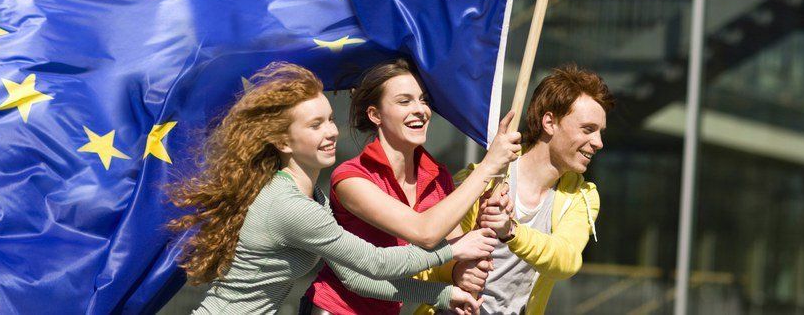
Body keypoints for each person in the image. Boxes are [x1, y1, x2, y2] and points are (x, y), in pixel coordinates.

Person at [167, 62, 499, 314]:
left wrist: (442, 294)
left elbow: (357, 279)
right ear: (283, 142)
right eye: (315, 125)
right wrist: (453, 249)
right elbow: (376, 263)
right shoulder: (291, 207)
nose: (331, 132)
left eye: (329, 119)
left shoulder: (315, 200)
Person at [304, 59, 523, 315]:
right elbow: (424, 232)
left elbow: (451, 249)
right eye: (404, 101)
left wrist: (460, 269)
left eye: (423, 100)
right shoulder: (351, 179)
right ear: (375, 115)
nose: (420, 110)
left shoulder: (437, 176)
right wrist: (488, 166)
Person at [422, 64, 614, 315]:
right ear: (549, 122)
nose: (598, 142)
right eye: (588, 129)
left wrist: (511, 231)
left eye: (600, 132)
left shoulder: (582, 197)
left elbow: (566, 260)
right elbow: (426, 261)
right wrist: (455, 271)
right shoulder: (482, 179)